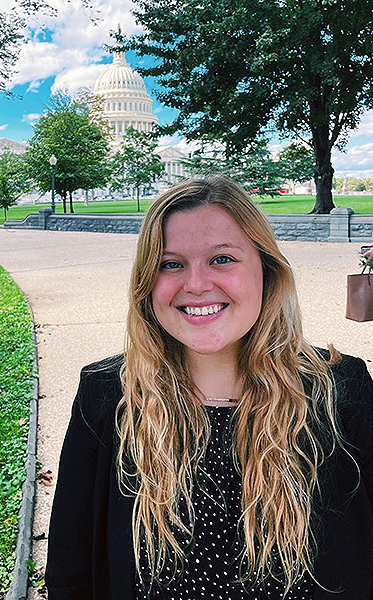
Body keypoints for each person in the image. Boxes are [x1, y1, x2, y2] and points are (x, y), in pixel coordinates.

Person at [45, 176, 373, 600]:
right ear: (147, 283)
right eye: (170, 263)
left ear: (267, 270)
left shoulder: (341, 391)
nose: (196, 284)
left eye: (221, 259)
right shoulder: (106, 395)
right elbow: (72, 571)